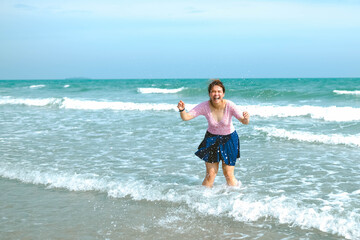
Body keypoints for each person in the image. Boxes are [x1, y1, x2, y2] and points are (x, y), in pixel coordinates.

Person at [177, 79, 250, 188]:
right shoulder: (204, 106)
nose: (216, 94)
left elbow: (244, 122)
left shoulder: (229, 105)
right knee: (210, 175)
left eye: (219, 91)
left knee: (228, 174)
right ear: (210, 94)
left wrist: (246, 118)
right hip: (211, 140)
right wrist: (182, 110)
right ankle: (202, 200)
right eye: (213, 91)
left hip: (229, 139)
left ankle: (235, 198)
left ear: (223, 93)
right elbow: (186, 117)